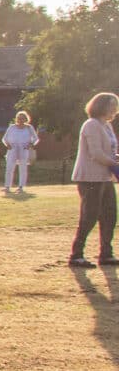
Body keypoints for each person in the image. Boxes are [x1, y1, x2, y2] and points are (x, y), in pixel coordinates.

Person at [69, 92, 119, 268]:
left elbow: (111, 151)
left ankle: (106, 253)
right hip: (89, 177)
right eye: (112, 105)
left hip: (105, 178)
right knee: (89, 216)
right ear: (101, 106)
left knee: (110, 215)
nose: (115, 109)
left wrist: (116, 160)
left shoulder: (107, 126)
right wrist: (115, 164)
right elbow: (96, 153)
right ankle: (76, 255)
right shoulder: (91, 125)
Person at [1, 111, 40, 193]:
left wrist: (30, 145)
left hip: (24, 149)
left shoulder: (29, 128)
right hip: (12, 149)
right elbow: (4, 138)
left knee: (23, 168)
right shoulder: (11, 127)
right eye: (19, 118)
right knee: (9, 168)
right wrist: (7, 145)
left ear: (26, 119)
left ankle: (21, 187)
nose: (20, 120)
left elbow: (36, 139)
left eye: (22, 118)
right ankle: (7, 186)